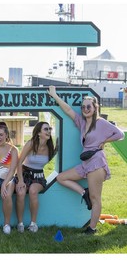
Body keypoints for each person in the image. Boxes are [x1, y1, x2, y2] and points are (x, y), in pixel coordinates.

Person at [48, 85, 125, 234]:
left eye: (88, 106)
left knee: (96, 198)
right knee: (61, 178)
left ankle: (92, 228)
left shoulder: (101, 123)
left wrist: (104, 142)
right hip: (85, 163)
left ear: (95, 107)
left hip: (96, 164)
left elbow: (120, 134)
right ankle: (84, 192)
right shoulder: (82, 123)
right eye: (83, 107)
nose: (85, 109)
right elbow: (68, 110)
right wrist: (54, 96)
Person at [15, 121, 57, 233]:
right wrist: (20, 180)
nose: (49, 131)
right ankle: (20, 223)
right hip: (25, 173)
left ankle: (33, 224)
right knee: (21, 192)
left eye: (49, 129)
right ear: (38, 133)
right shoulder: (31, 143)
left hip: (39, 176)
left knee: (33, 191)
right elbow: (19, 163)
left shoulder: (50, 147)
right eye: (46, 129)